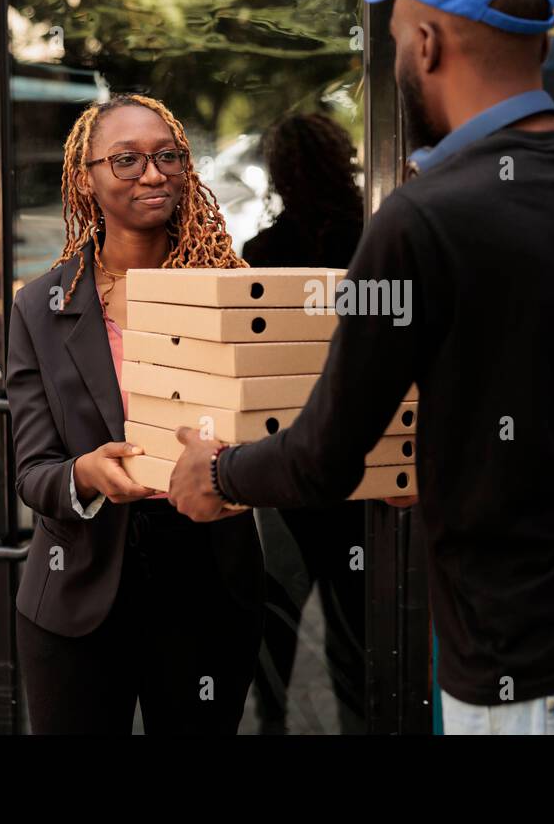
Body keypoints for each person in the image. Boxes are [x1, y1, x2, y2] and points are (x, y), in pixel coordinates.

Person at [167, 0, 554, 734]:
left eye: (400, 31)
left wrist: (217, 474)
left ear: (430, 45)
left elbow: (321, 459)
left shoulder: (425, 219)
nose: (400, 52)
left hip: (533, 681)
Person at [5, 93, 264, 734]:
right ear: (85, 178)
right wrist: (87, 474)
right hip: (77, 596)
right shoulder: (41, 306)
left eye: (166, 156)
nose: (152, 174)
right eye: (125, 161)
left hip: (207, 585)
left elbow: (277, 427)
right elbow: (33, 472)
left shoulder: (232, 294)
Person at [243, 113, 368, 734]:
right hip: (361, 469)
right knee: (359, 636)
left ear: (280, 176)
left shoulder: (261, 257)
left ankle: (270, 727)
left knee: (277, 625)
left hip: (284, 467)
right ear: (342, 161)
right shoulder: (373, 241)